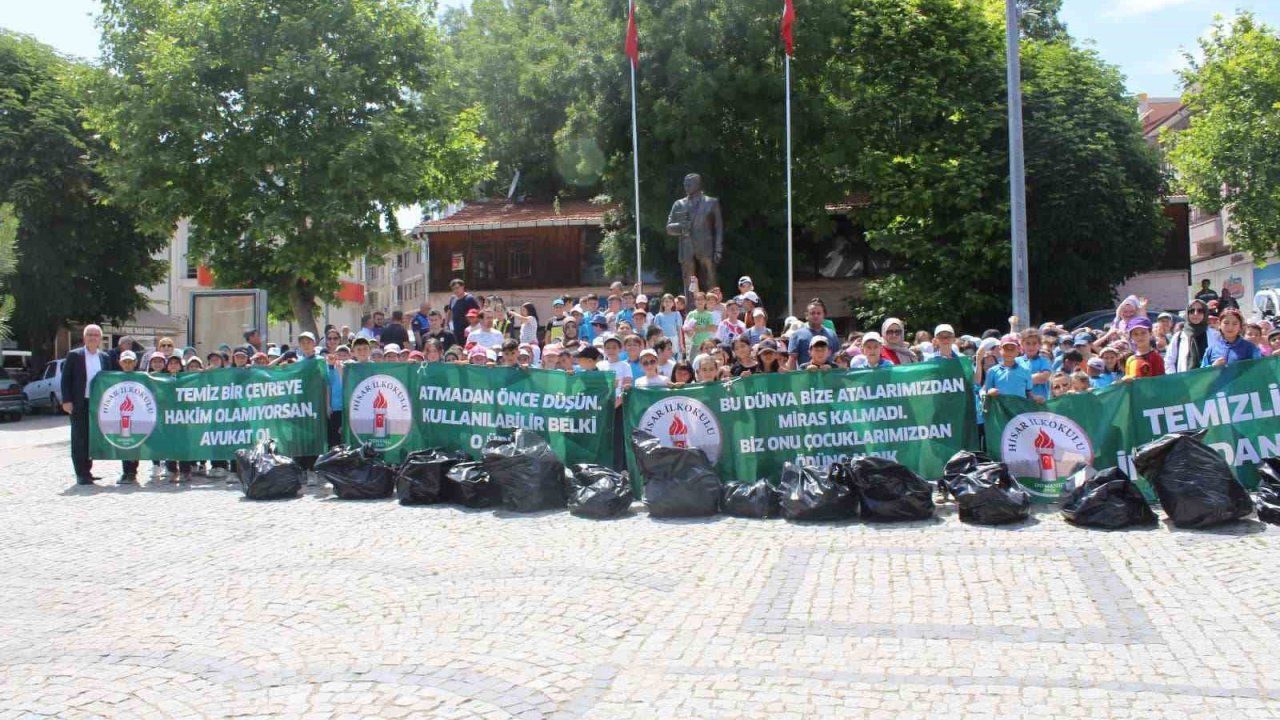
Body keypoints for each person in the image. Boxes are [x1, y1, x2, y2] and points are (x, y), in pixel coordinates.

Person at [62, 324, 115, 485]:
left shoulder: (104, 357)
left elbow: (110, 380)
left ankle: (88, 471)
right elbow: (66, 380)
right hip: (79, 403)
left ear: (100, 339)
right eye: (90, 334)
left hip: (98, 404)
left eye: (96, 335)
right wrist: (67, 400)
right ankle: (81, 473)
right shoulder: (74, 355)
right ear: (84, 338)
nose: (93, 337)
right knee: (79, 438)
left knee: (92, 438)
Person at [982, 334, 1036, 403]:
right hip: (1001, 411)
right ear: (1000, 349)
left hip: (1019, 411)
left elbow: (1029, 392)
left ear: (1018, 350)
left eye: (1012, 349)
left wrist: (1035, 398)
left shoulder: (1025, 371)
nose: (1009, 352)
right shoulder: (992, 371)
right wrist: (990, 392)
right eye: (1006, 349)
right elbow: (986, 392)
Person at [786, 300, 838, 370]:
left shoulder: (832, 334)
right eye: (812, 313)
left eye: (819, 313)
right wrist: (792, 379)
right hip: (806, 377)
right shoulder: (797, 335)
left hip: (828, 377)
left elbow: (836, 358)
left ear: (824, 316)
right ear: (807, 315)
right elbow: (792, 360)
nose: (815, 315)